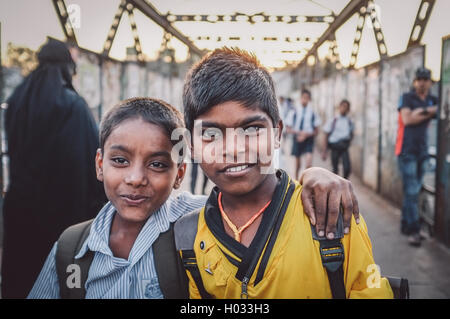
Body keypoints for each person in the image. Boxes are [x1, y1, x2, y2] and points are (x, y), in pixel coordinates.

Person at [28, 97, 363, 299]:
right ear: (100, 164)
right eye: (120, 160)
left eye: (158, 164)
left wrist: (314, 177)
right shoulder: (71, 249)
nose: (135, 178)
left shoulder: (201, 220)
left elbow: (260, 201)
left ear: (180, 174)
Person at [176, 47, 393, 299]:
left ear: (278, 133)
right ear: (191, 145)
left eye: (252, 129)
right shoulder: (189, 235)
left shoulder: (330, 215)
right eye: (211, 134)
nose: (234, 149)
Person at [2, 38, 107, 298]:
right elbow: (89, 161)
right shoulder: (73, 105)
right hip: (61, 216)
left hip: (21, 210)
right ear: (66, 68)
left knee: (22, 277)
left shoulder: (17, 100)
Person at [395, 67, 438, 247]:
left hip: (422, 151)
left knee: (413, 191)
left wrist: (419, 112)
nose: (422, 82)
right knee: (412, 191)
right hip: (406, 151)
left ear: (429, 82)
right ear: (415, 81)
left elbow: (438, 110)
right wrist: (429, 111)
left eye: (425, 79)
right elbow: (407, 119)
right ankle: (414, 230)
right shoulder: (407, 97)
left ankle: (405, 224)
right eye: (419, 79)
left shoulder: (432, 99)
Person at [286, 89, 321, 180]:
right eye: (303, 98)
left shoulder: (313, 112)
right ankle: (296, 181)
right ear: (300, 98)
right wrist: (299, 133)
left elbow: (317, 131)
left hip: (309, 139)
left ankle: (306, 182)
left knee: (309, 163)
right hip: (297, 138)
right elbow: (288, 129)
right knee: (297, 164)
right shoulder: (294, 111)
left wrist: (306, 135)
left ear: (309, 99)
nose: (305, 100)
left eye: (307, 98)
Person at [322, 99, 354, 179]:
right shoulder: (334, 120)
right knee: (335, 170)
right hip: (335, 146)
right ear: (339, 107)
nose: (344, 109)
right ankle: (335, 187)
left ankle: (343, 184)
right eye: (343, 106)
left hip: (344, 147)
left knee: (347, 168)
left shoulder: (349, 121)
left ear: (348, 109)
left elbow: (351, 133)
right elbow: (326, 134)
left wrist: (348, 142)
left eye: (346, 107)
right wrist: (324, 151)